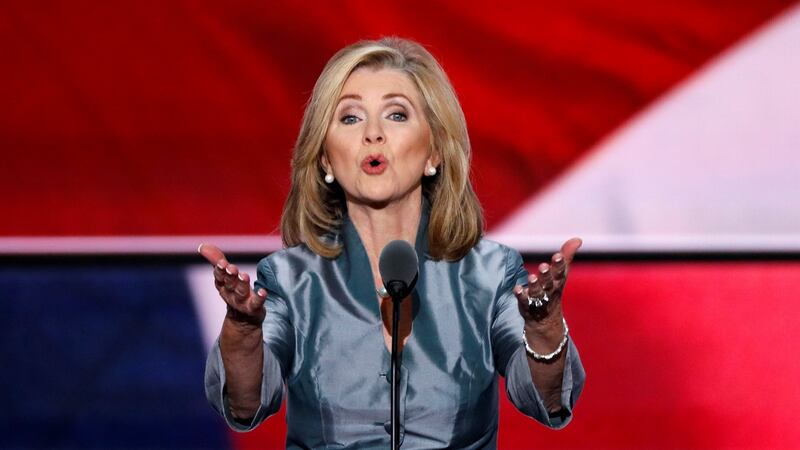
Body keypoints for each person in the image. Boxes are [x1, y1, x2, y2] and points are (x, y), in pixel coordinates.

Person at [199, 37, 585, 449]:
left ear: (434, 151)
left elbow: (546, 402)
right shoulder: (291, 279)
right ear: (326, 159)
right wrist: (242, 330)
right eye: (350, 118)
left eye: (396, 114)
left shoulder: (490, 274)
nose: (373, 134)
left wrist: (543, 329)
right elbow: (244, 405)